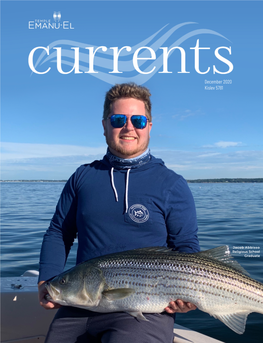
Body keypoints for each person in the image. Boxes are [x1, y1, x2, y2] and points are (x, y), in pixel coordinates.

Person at [38, 83, 200, 343]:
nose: (128, 127)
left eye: (137, 120)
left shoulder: (171, 183)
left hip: (145, 309)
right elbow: (59, 231)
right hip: (82, 301)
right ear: (104, 125)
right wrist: (46, 277)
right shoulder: (83, 177)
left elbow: (186, 247)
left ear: (149, 125)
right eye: (118, 120)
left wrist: (188, 292)